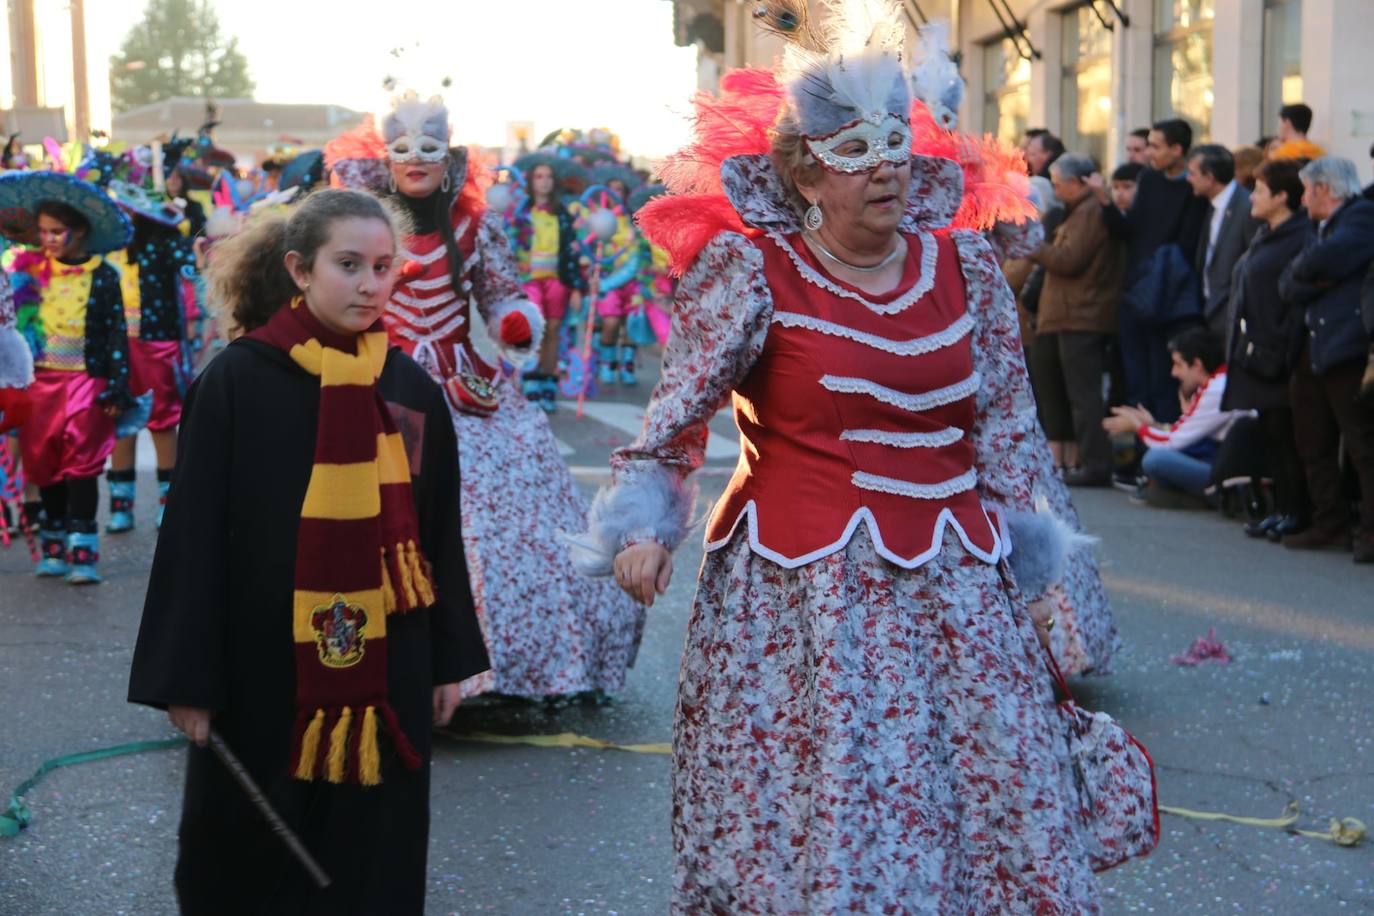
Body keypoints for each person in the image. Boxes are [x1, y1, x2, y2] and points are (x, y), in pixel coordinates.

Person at [574, 11, 1152, 911]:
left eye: (894, 140)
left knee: (985, 780)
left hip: (959, 582)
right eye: (855, 148)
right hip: (808, 596)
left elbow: (1005, 432)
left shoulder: (963, 267)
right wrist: (644, 526)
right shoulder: (755, 271)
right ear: (804, 170)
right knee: (838, 786)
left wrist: (1039, 580)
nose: (885, 163)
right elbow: (675, 415)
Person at [128, 189, 489, 914]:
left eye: (384, 267)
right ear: (299, 269)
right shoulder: (235, 382)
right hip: (260, 666)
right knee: (248, 856)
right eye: (348, 264)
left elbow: (436, 535)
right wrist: (186, 680)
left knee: (373, 860)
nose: (368, 284)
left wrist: (449, 660)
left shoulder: (409, 388)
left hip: (389, 664)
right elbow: (192, 539)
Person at [325, 93, 646, 698]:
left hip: (461, 383)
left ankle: (496, 667)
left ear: (448, 157)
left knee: (497, 511)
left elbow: (502, 296)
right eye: (402, 150)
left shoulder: (476, 224)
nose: (415, 160)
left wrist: (515, 322)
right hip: (377, 379)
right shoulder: (360, 224)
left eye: (428, 149)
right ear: (385, 158)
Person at [6, 176, 135, 585]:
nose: (49, 239)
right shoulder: (26, 272)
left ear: (79, 231)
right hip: (39, 383)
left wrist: (117, 384)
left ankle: (84, 552)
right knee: (44, 464)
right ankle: (54, 546)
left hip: (87, 381)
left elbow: (116, 332)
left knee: (82, 465)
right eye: (43, 232)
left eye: (57, 231)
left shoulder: (103, 274)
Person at [1278, 157, 1374, 561]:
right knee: (1312, 441)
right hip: (1313, 345)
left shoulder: (1362, 216)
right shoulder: (1317, 228)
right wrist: (1312, 276)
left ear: (1324, 189)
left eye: (1306, 190)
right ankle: (1328, 521)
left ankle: (1368, 532)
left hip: (1346, 346)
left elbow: (1319, 262)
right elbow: (1288, 283)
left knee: (1361, 446)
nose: (1302, 200)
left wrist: (1311, 273)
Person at [1092, 117, 1210, 422]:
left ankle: (1159, 454)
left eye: (1155, 146)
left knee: (1162, 379)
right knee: (1135, 380)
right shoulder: (1149, 180)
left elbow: (1187, 247)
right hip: (1135, 294)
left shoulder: (1192, 190)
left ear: (1177, 149)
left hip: (1168, 300)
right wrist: (1105, 203)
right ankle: (1137, 458)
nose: (1150, 153)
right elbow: (1132, 230)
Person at [105, 159, 201, 532]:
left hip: (158, 342)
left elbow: (191, 268)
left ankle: (168, 501)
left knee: (162, 423)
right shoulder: (108, 246)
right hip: (118, 344)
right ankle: (121, 505)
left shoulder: (165, 242)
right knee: (121, 421)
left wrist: (184, 235)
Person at [1221, 157, 1313, 541]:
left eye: (1260, 190)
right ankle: (1284, 509)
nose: (1252, 196)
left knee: (1291, 438)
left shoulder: (1300, 235)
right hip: (1257, 352)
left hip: (1282, 352)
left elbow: (1295, 299)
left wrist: (1280, 342)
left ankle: (1298, 512)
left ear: (1282, 197)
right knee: (1274, 437)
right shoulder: (1266, 233)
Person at [1030, 153, 1125, 487]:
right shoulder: (1079, 211)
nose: (1055, 192)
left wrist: (1033, 247)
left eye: (1058, 184)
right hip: (1070, 315)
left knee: (1084, 396)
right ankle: (1085, 460)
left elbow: (1069, 260)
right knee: (1073, 395)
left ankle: (1096, 464)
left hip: (1082, 315)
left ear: (1076, 182)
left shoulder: (1089, 212)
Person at [1104, 327, 1247, 504]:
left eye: (1178, 364)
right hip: (1222, 465)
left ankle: (1201, 498)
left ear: (1197, 364)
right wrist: (1152, 425)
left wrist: (1139, 427)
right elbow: (1182, 432)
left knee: (1155, 459)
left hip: (1229, 476)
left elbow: (1173, 442)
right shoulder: (1217, 383)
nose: (1174, 373)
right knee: (1160, 459)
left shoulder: (1218, 389)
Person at [512, 155, 584, 411]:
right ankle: (531, 381)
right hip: (529, 280)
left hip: (558, 281)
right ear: (531, 181)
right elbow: (511, 247)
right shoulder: (520, 213)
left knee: (554, 331)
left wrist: (576, 287)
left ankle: (547, 384)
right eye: (539, 176)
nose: (544, 182)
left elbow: (573, 251)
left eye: (549, 177)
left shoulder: (563, 215)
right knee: (536, 329)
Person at [1186, 144, 1261, 337]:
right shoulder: (1210, 205)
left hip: (1233, 316)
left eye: (1193, 173)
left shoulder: (1247, 207)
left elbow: (1252, 263)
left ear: (1209, 177)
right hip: (1210, 312)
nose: (1188, 179)